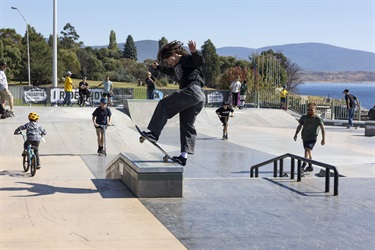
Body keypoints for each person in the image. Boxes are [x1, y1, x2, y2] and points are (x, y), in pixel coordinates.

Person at [141, 40, 206, 166]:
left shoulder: (187, 58)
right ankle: (183, 157)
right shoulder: (176, 67)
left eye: (168, 60)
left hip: (193, 91)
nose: (169, 63)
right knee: (186, 124)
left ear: (174, 53)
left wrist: (194, 52)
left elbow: (199, 62)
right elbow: (170, 72)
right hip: (198, 98)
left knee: (164, 105)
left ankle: (154, 133)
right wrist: (159, 67)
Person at [293, 102, 325, 173]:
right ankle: (310, 166)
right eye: (308, 110)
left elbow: (322, 128)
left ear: (315, 110)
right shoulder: (304, 117)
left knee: (307, 150)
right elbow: (299, 126)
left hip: (312, 138)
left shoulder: (318, 118)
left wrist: (323, 139)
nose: (309, 111)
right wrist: (296, 134)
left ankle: (303, 165)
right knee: (309, 152)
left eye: (311, 110)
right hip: (305, 137)